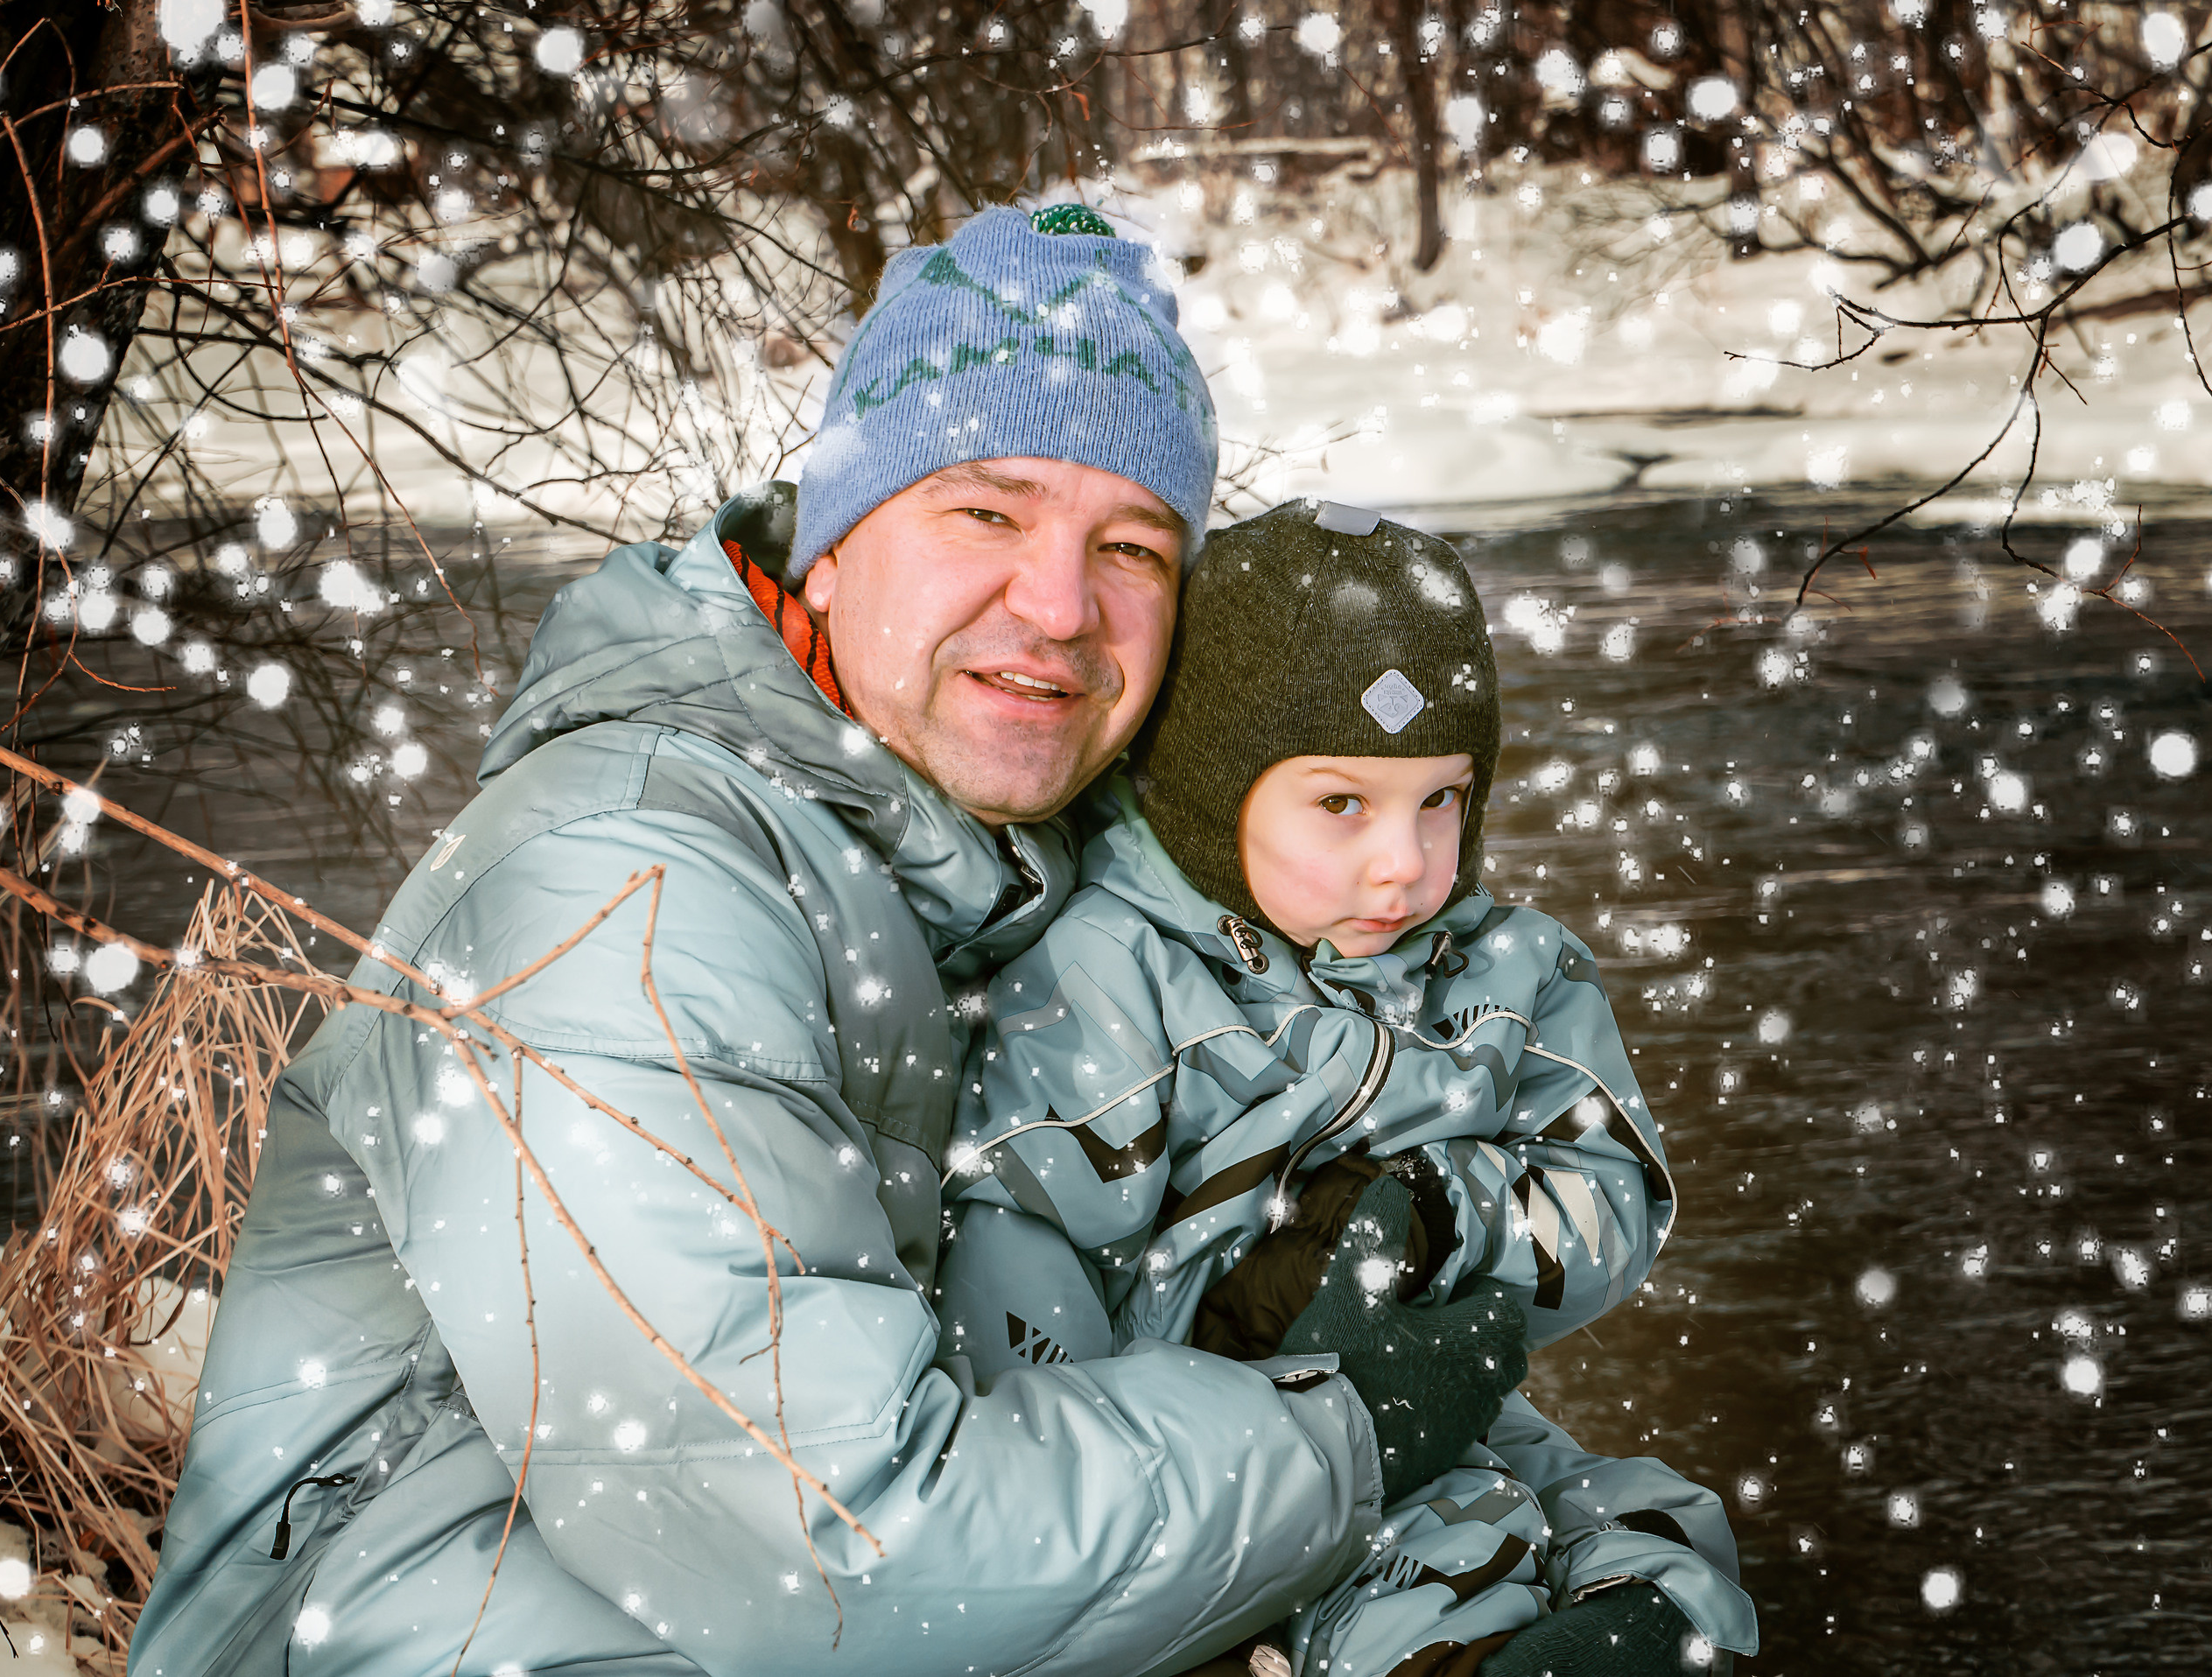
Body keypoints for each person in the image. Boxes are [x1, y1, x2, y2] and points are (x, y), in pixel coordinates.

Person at [128, 207, 1398, 1677]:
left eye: (1132, 546)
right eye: (987, 511)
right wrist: (1351, 1437)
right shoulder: (613, 890)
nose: (1059, 607)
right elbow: (842, 1557)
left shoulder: (1048, 882)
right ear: (837, 545)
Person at [935, 502, 1759, 1675]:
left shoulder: (1504, 972)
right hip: (1211, 1431)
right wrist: (1243, 1336)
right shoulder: (1111, 977)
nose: (1406, 861)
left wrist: (1442, 1211)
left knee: (1661, 1542)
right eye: (1341, 803)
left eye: (1443, 798)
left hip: (1442, 1381)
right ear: (1218, 797)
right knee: (1398, 1595)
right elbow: (1021, 1253)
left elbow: (1614, 1198)